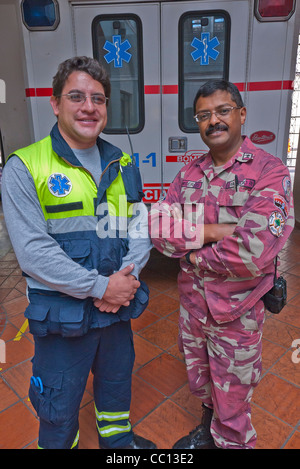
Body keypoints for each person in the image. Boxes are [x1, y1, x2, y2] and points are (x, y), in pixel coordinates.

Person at [2, 56, 156, 450]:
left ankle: (117, 443)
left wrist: (127, 276)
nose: (89, 107)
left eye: (99, 99)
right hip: (63, 317)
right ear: (55, 103)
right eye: (76, 96)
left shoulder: (121, 162)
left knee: (117, 384)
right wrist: (101, 287)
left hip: (115, 311)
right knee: (58, 408)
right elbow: (33, 252)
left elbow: (139, 225)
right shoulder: (25, 166)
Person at [149, 80, 294, 449]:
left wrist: (194, 254)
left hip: (236, 314)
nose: (213, 121)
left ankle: (231, 440)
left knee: (233, 398)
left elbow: (254, 250)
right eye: (204, 115)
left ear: (241, 115)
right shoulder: (188, 174)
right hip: (194, 310)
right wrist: (216, 230)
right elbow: (158, 229)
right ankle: (210, 430)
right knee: (201, 382)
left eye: (223, 110)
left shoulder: (269, 172)